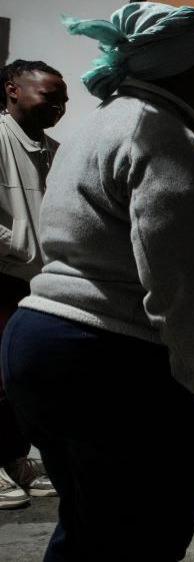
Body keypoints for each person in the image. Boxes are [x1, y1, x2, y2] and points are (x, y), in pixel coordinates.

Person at [0, 4, 194, 559]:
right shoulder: (161, 134)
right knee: (141, 540)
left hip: (47, 344)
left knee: (90, 532)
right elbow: (181, 286)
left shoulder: (104, 123)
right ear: (177, 67)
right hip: (110, 360)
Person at [0, 59, 66, 509]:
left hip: (38, 285)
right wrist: (20, 247)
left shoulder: (54, 149)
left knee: (22, 381)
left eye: (63, 99)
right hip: (3, 277)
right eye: (49, 96)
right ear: (13, 90)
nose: (59, 106)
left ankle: (15, 460)